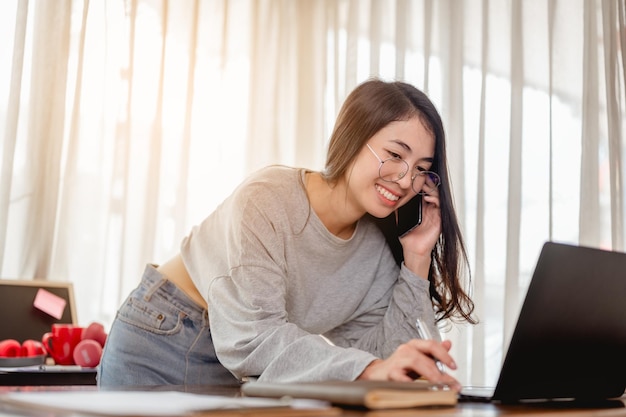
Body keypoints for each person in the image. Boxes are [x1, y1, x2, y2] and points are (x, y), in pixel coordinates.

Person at [97, 78, 476, 389]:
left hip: (246, 366)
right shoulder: (268, 199)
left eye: (421, 168)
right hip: (164, 337)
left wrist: (417, 260)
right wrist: (365, 370)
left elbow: (390, 358)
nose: (406, 179)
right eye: (395, 154)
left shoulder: (375, 248)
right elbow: (254, 338)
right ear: (352, 137)